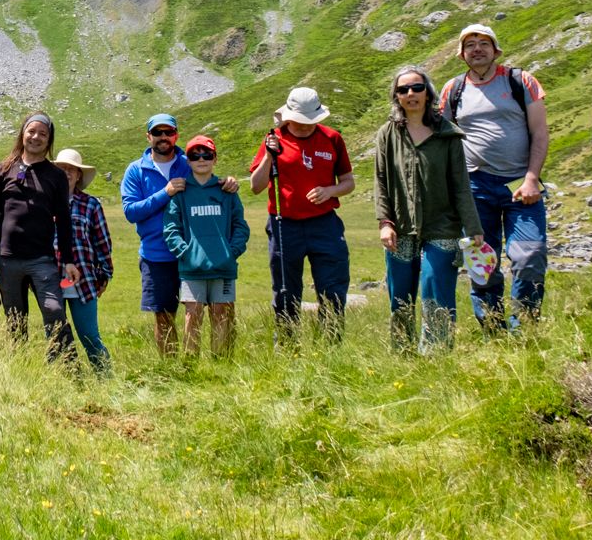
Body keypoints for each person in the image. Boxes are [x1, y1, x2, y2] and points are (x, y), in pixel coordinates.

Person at [439, 25, 550, 329]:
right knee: (481, 260)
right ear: (462, 54)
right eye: (470, 45)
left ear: (496, 49)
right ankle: (492, 327)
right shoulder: (453, 89)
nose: (477, 49)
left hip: (519, 183)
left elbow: (540, 132)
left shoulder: (520, 81)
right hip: (474, 186)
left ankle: (524, 325)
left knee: (530, 254)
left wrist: (532, 178)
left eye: (484, 43)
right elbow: (442, 138)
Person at [373, 69, 483, 350]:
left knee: (436, 285)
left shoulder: (447, 133)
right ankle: (402, 350)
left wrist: (473, 228)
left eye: (417, 87)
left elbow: (461, 184)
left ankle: (436, 354)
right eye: (403, 90)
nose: (410, 94)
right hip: (400, 224)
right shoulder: (387, 133)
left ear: (428, 92)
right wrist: (385, 222)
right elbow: (381, 181)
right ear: (396, 96)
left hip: (442, 224)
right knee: (400, 292)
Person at [248, 87, 355, 342]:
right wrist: (269, 157)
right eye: (300, 122)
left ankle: (330, 346)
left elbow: (349, 182)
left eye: (311, 122)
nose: (306, 127)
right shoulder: (274, 139)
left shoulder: (332, 139)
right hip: (284, 225)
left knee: (332, 288)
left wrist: (330, 191)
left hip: (325, 225)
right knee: (286, 291)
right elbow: (255, 186)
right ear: (288, 117)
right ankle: (287, 346)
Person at [0, 112, 82, 358]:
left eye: (42, 134)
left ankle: (66, 368)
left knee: (54, 310)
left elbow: (64, 222)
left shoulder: (55, 175)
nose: (36, 137)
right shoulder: (3, 170)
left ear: (49, 140)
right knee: (15, 320)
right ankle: (20, 371)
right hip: (6, 259)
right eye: (31, 131)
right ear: (22, 134)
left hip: (41, 260)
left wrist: (67, 260)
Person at [161, 135, 251, 356]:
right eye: (195, 155)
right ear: (188, 161)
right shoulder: (180, 193)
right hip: (192, 269)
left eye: (207, 155)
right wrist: (186, 253)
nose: (201, 159)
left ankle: (222, 365)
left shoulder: (226, 191)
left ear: (215, 159)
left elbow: (241, 226)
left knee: (223, 314)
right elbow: (171, 229)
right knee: (193, 315)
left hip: (224, 267)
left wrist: (231, 252)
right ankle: (191, 366)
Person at [54, 148, 113, 375]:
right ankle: (69, 381)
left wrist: (105, 274)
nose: (66, 173)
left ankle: (106, 379)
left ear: (79, 175)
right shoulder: (45, 203)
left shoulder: (90, 204)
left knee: (89, 335)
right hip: (51, 280)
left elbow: (102, 243)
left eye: (71, 169)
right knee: (56, 336)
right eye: (61, 168)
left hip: (85, 280)